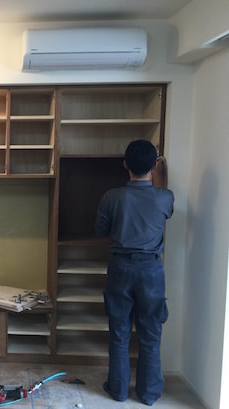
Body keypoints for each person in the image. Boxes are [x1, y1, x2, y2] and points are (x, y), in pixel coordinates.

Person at [95, 140, 174, 406]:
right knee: (150, 334)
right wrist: (159, 172)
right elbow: (161, 203)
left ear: (125, 164)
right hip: (152, 271)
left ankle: (118, 390)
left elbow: (100, 231)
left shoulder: (111, 197)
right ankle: (149, 395)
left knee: (119, 333)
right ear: (153, 166)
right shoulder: (166, 197)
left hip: (120, 268)